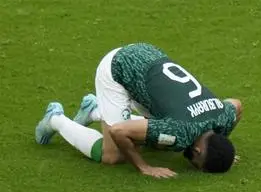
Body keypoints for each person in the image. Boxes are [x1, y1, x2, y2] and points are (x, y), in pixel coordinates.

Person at [34, 42, 242, 179]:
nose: (193, 164)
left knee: (159, 142)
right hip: (118, 69)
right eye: (198, 164)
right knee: (112, 155)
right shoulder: (180, 132)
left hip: (148, 57)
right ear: (197, 151)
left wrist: (220, 148)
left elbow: (236, 104)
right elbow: (119, 132)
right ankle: (56, 119)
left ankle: (95, 111)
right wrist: (144, 167)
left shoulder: (223, 117)